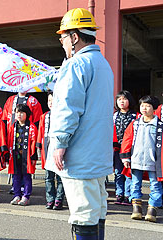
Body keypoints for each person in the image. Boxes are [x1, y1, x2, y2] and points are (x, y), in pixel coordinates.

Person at [45, 8, 114, 239]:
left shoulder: (75, 64)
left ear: (75, 37)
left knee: (83, 213)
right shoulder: (103, 64)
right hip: (97, 154)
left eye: (63, 37)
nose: (61, 42)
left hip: (79, 155)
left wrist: (60, 142)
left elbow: (67, 107)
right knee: (97, 209)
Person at [120, 95, 163, 223]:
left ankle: (152, 210)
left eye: (148, 106)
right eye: (142, 105)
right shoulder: (135, 124)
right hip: (136, 160)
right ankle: (136, 210)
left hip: (154, 163)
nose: (144, 108)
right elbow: (127, 140)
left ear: (154, 109)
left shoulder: (160, 125)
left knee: (155, 186)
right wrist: (125, 157)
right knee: (135, 185)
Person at [37, 91, 65, 210]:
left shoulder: (63, 115)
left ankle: (59, 199)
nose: (51, 103)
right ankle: (50, 199)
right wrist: (39, 148)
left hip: (58, 147)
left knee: (59, 176)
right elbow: (40, 132)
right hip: (47, 147)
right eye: (49, 101)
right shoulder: (44, 116)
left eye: (53, 101)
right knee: (48, 177)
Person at [7, 104, 37, 206]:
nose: (19, 115)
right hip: (15, 156)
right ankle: (17, 195)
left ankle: (26, 196)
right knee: (15, 176)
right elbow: (9, 140)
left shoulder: (31, 127)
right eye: (17, 112)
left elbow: (34, 142)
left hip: (26, 157)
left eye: (21, 112)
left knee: (27, 176)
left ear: (27, 114)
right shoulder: (13, 126)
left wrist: (33, 156)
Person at [113, 90, 137, 205]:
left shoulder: (135, 116)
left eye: (124, 99)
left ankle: (128, 195)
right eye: (119, 99)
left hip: (131, 149)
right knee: (118, 172)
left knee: (129, 172)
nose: (121, 102)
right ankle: (119, 194)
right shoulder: (114, 115)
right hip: (117, 148)